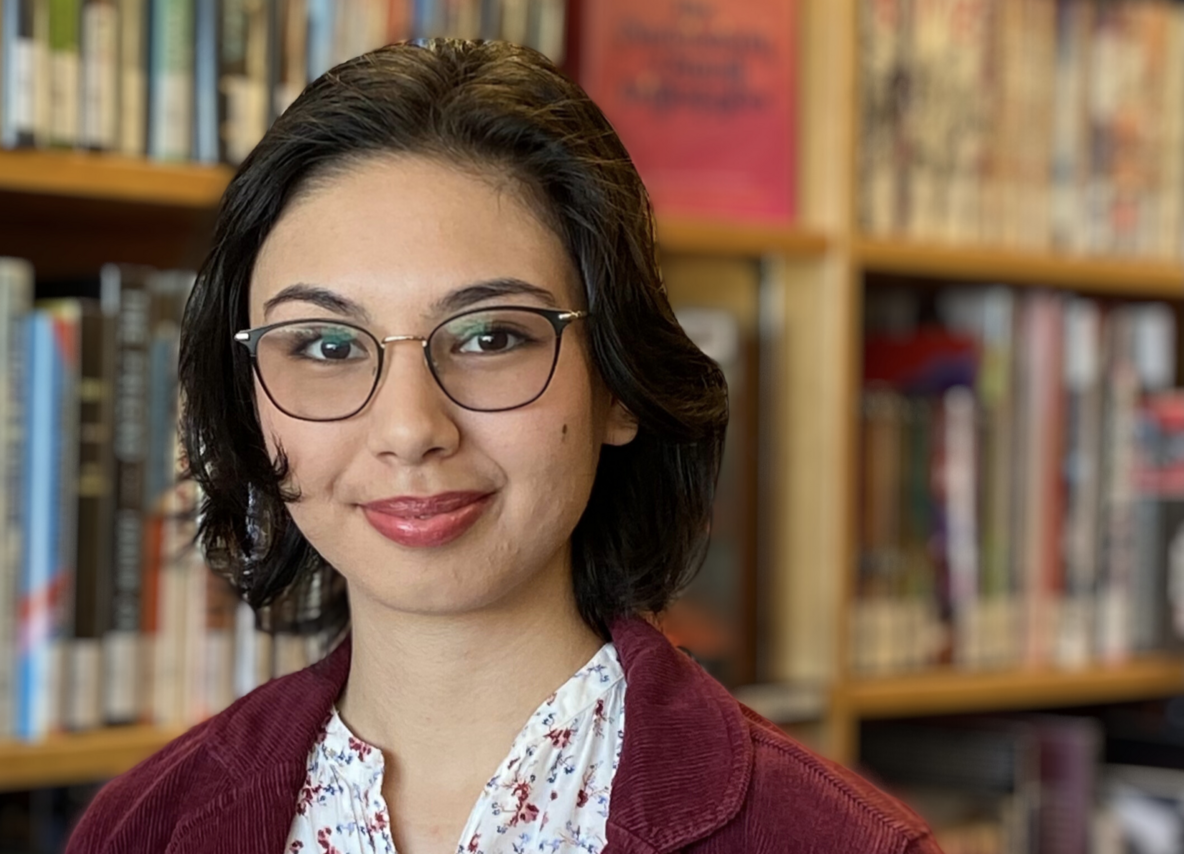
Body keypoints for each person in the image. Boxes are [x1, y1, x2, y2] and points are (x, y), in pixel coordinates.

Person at [66, 38, 941, 854]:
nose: (410, 430)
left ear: (618, 385)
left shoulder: (838, 841)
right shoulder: (141, 826)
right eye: (326, 346)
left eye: (490, 338)